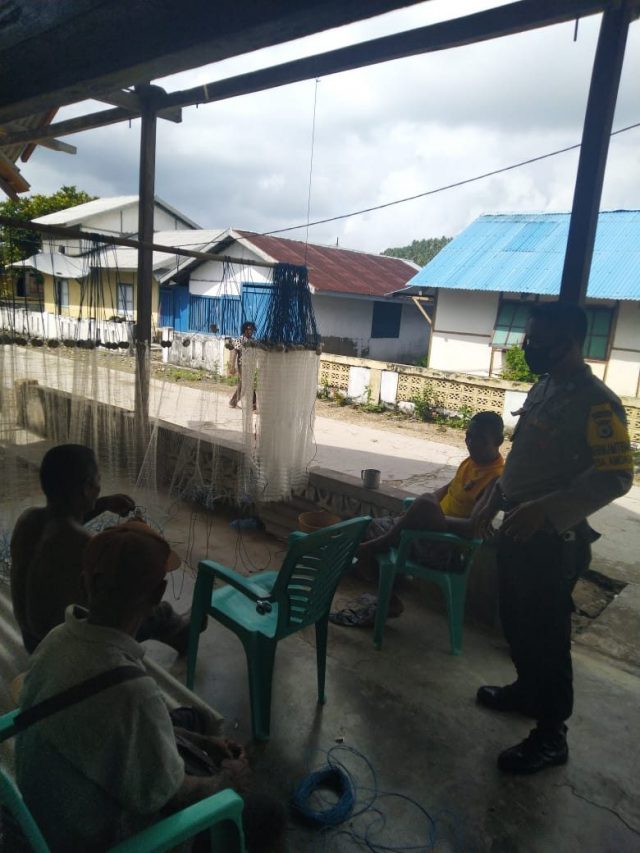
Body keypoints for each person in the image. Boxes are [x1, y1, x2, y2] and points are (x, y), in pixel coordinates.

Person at [15, 521, 285, 851]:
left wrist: (204, 742)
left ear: (85, 583)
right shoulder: (131, 690)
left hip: (45, 815)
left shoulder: (56, 639)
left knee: (192, 719)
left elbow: (123, 727)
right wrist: (228, 782)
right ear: (157, 595)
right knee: (268, 813)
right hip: (100, 838)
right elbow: (172, 796)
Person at [474, 301, 633, 774]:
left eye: (538, 340)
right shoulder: (543, 387)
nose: (529, 347)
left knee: (547, 637)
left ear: (569, 342)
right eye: (528, 338)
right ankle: (527, 691)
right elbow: (525, 457)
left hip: (552, 540)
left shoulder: (598, 402)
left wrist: (547, 509)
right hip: (516, 530)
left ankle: (551, 735)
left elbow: (616, 477)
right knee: (516, 622)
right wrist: (496, 496)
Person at [10, 444, 190, 655]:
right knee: (153, 609)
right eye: (98, 480)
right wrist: (136, 536)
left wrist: (102, 504)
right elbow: (124, 590)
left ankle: (178, 629)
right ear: (87, 487)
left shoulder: (28, 520)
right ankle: (183, 633)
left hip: (32, 640)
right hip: (63, 649)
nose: (99, 487)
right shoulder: (84, 544)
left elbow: (64, 518)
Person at [331, 411, 505, 627]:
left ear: (498, 441)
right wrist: (417, 515)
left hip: (446, 548)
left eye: (480, 439)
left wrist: (429, 516)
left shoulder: (495, 479)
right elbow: (445, 491)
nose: (471, 443)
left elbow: (472, 528)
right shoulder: (471, 462)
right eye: (469, 435)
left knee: (420, 507)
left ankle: (382, 546)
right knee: (365, 527)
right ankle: (390, 598)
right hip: (427, 533)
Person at [228, 320, 257, 409]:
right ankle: (253, 404)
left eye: (251, 329)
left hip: (250, 365)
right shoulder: (239, 340)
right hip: (242, 365)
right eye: (248, 329)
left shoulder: (253, 340)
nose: (250, 331)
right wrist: (232, 366)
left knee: (246, 384)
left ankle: (234, 402)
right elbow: (234, 353)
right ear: (244, 330)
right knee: (246, 383)